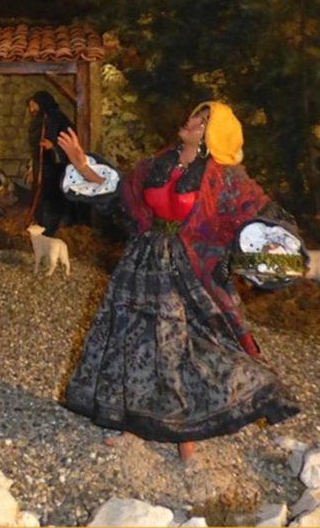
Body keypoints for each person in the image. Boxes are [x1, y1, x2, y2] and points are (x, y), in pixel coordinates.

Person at [56, 101, 300, 462]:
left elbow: (259, 216)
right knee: (135, 342)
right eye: (195, 115)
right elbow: (123, 196)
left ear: (212, 135)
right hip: (142, 263)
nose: (191, 121)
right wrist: (81, 165)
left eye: (202, 121)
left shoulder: (224, 177)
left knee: (176, 346)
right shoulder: (159, 163)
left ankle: (185, 434)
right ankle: (133, 423)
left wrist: (274, 252)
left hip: (188, 270)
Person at [25, 90, 76, 236]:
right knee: (40, 200)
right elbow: (34, 149)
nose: (31, 109)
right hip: (40, 167)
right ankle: (40, 231)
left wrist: (54, 147)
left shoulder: (58, 119)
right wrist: (31, 167)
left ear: (42, 104)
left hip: (55, 169)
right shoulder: (38, 121)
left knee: (51, 201)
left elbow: (71, 139)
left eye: (33, 105)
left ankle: (52, 232)